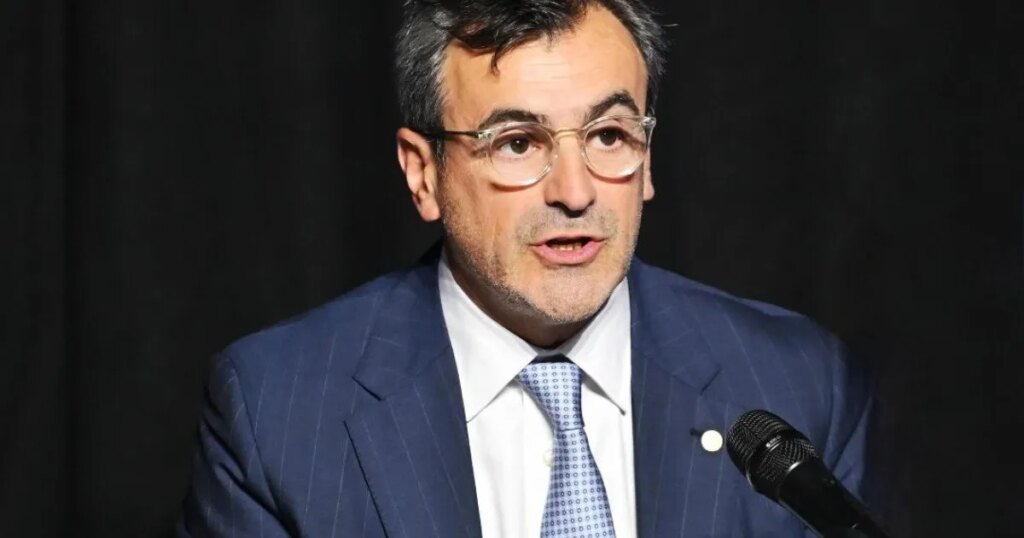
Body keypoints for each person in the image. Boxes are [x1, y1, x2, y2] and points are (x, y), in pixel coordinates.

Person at [178, 0, 875, 536]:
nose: (575, 191)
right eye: (517, 143)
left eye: (609, 135)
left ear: (647, 159)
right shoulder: (276, 411)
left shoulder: (803, 382)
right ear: (423, 174)